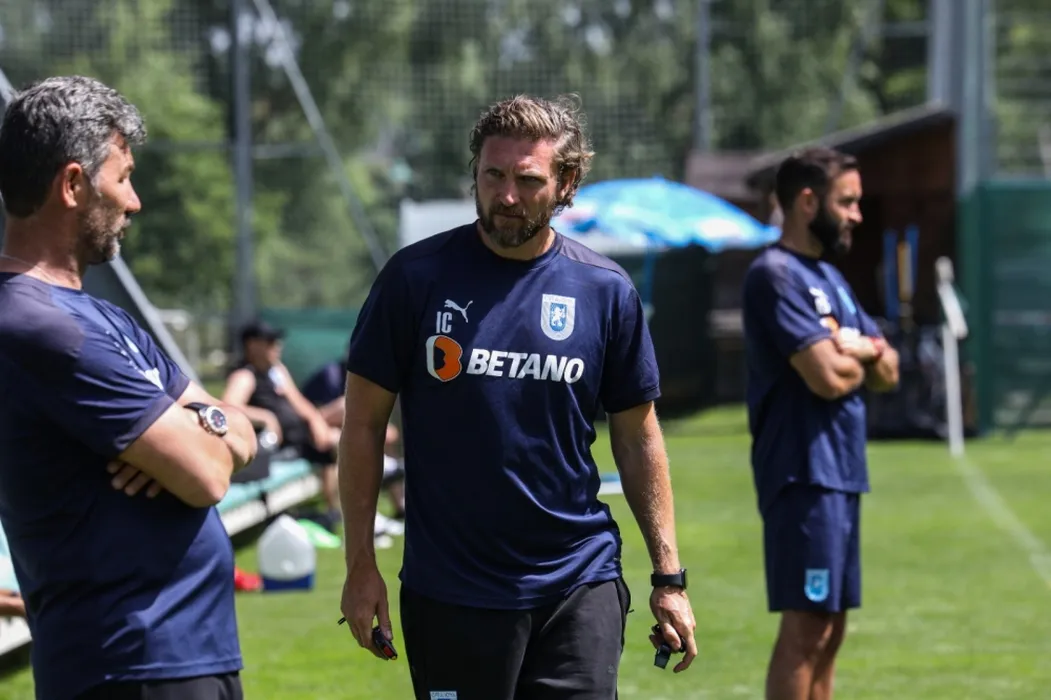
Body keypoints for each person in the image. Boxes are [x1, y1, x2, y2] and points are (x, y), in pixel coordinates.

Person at [338, 94, 698, 700]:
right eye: (493, 176)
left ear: (566, 184)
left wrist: (669, 576)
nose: (506, 196)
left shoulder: (605, 290)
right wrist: (359, 566)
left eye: (527, 180)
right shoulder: (414, 279)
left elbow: (638, 437)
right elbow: (363, 427)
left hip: (577, 581)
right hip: (452, 589)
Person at [0, 75, 257, 700]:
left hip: (177, 656)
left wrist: (200, 423)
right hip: (130, 665)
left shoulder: (97, 317)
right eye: (124, 178)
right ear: (72, 184)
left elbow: (242, 433)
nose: (135, 202)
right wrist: (196, 432)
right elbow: (208, 476)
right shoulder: (40, 327)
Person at [741, 147, 901, 700]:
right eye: (847, 202)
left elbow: (889, 370)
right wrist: (859, 354)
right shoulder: (774, 275)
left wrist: (860, 348)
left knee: (831, 628)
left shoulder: (830, 276)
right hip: (802, 472)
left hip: (841, 471)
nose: (857, 214)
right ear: (808, 202)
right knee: (807, 626)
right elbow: (827, 378)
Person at [222, 320, 343, 531]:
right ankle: (338, 511)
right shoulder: (245, 375)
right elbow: (228, 406)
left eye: (277, 341)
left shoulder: (277, 370)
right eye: (270, 341)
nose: (277, 346)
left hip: (302, 436)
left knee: (340, 427)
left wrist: (315, 421)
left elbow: (299, 402)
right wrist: (265, 416)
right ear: (252, 345)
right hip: (279, 447)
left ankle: (338, 510)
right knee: (338, 441)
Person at [301, 355, 407, 528]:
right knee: (347, 437)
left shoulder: (369, 380)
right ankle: (359, 515)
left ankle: (399, 503)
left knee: (370, 439)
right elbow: (318, 422)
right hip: (312, 438)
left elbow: (389, 432)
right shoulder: (330, 377)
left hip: (338, 434)